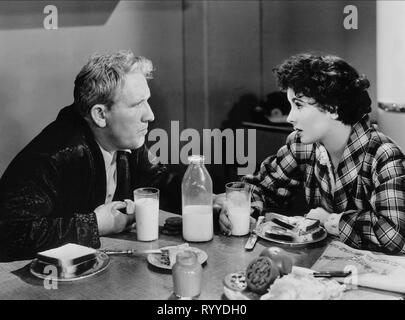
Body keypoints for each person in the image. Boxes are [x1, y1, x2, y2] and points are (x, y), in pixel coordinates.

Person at [217, 53, 405, 254]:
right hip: (320, 269)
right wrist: (241, 208)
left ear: (332, 108)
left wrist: (332, 221)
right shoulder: (302, 144)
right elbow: (262, 186)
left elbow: (395, 235)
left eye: (298, 105)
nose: (290, 117)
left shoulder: (384, 155)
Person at [0, 50, 179, 261]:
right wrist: (95, 224)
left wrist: (208, 201)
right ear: (101, 115)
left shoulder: (124, 137)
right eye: (137, 104)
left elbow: (159, 181)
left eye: (147, 101)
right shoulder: (55, 154)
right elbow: (9, 235)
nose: (150, 115)